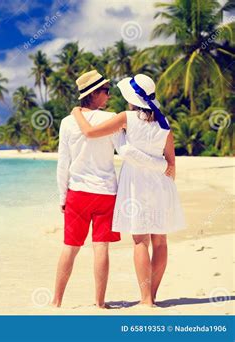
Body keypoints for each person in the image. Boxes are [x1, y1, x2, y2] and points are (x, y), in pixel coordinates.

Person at [53, 70, 170, 308]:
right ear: (94, 94)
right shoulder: (112, 119)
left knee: (70, 247)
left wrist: (62, 196)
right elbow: (124, 149)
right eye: (105, 91)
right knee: (101, 247)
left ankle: (56, 301)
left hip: (77, 192)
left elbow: (62, 163)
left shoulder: (67, 122)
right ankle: (99, 303)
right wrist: (162, 165)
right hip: (106, 192)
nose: (108, 95)